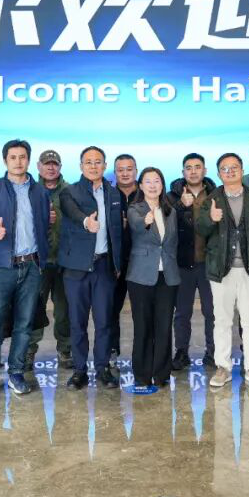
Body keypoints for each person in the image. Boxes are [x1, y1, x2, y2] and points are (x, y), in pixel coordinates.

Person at [0, 139, 51, 400]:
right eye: (13, 157)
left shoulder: (40, 192)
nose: (18, 161)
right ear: (5, 161)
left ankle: (16, 372)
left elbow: (44, 228)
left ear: (29, 160)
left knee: (24, 324)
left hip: (31, 266)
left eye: (22, 157)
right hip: (1, 266)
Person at [196, 153, 249, 391]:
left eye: (234, 167)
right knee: (222, 321)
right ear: (218, 173)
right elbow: (200, 229)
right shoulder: (212, 199)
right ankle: (223, 367)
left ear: (242, 170)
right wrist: (210, 219)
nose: (230, 172)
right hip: (221, 270)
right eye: (224, 168)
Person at [59, 146, 124, 390]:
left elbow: (117, 232)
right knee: (77, 323)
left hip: (104, 267)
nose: (93, 166)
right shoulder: (70, 191)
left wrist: (117, 263)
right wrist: (86, 221)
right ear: (81, 166)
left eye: (98, 162)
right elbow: (72, 211)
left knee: (104, 321)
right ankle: (79, 370)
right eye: (88, 162)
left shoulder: (114, 193)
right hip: (76, 269)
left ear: (105, 166)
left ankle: (103, 368)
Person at [126, 167, 180, 389]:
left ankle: (161, 373)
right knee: (143, 326)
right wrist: (146, 221)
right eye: (147, 181)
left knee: (164, 326)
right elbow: (136, 226)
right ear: (140, 185)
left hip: (167, 276)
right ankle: (142, 374)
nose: (152, 185)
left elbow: (173, 242)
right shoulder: (135, 209)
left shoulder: (170, 211)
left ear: (162, 184)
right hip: (141, 276)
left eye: (156, 180)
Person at [169, 153, 217, 370]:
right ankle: (181, 352)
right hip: (183, 263)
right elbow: (166, 222)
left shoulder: (216, 194)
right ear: (183, 172)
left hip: (210, 263)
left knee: (212, 311)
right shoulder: (172, 196)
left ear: (204, 171)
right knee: (182, 312)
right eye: (189, 168)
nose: (193, 171)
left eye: (198, 167)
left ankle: (213, 352)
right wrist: (181, 205)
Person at [27, 149, 71, 368]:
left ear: (60, 167)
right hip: (38, 262)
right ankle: (29, 351)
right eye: (46, 164)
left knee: (64, 311)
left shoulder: (71, 191)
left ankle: (65, 350)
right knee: (34, 309)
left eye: (54, 164)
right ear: (38, 166)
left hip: (65, 262)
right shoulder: (30, 191)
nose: (51, 167)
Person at [111, 153, 139, 360]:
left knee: (143, 312)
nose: (125, 173)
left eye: (129, 169)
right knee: (111, 310)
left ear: (136, 171)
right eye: (120, 170)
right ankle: (112, 351)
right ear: (115, 173)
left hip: (141, 263)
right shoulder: (108, 195)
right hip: (115, 264)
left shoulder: (147, 193)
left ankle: (143, 354)